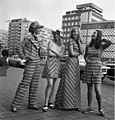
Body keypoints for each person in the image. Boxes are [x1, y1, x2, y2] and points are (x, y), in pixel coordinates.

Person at [11, 21, 44, 112]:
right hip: (30, 63)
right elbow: (18, 47)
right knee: (24, 84)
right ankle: (15, 105)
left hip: (37, 63)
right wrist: (24, 57)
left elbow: (39, 51)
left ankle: (32, 103)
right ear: (34, 29)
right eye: (38, 28)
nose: (40, 29)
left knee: (35, 85)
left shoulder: (38, 39)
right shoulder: (28, 38)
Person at [82, 30, 112, 116]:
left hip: (97, 67)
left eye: (95, 33)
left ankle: (100, 108)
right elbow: (85, 55)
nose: (93, 34)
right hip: (89, 67)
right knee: (89, 90)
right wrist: (86, 60)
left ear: (98, 35)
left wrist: (102, 39)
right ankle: (89, 107)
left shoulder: (101, 45)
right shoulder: (88, 45)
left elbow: (110, 42)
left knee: (97, 90)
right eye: (93, 33)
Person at [54, 27, 84, 110]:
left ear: (78, 33)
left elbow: (82, 51)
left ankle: (74, 105)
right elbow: (71, 53)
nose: (74, 33)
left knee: (75, 82)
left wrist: (78, 42)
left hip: (76, 63)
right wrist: (78, 53)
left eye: (75, 32)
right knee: (68, 81)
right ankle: (65, 104)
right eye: (73, 32)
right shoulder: (70, 40)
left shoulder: (80, 41)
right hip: (70, 61)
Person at [42, 30, 65, 112]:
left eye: (58, 35)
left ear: (61, 36)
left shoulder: (62, 45)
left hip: (57, 65)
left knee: (54, 84)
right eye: (55, 34)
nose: (56, 36)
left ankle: (50, 102)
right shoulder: (50, 42)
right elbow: (49, 54)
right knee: (50, 84)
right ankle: (45, 103)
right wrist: (57, 53)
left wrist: (54, 50)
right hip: (50, 63)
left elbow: (61, 55)